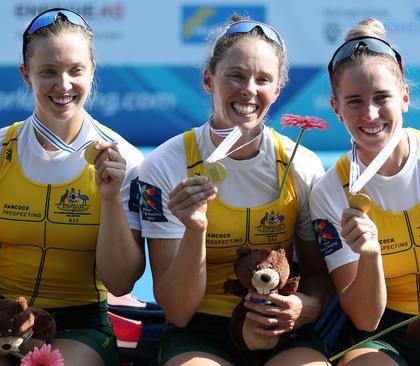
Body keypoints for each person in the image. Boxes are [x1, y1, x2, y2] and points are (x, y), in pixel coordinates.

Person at [0, 7, 145, 366]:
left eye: (75, 70)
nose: (63, 85)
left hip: (77, 325)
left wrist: (109, 199)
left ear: (92, 71)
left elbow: (121, 283)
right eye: (48, 71)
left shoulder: (124, 161)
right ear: (26, 75)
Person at [138, 15, 332, 366]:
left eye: (263, 79)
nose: (249, 90)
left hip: (280, 328)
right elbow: (178, 312)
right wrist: (196, 229)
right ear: (209, 80)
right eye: (236, 76)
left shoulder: (302, 165)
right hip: (198, 330)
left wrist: (305, 307)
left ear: (276, 91)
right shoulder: (165, 166)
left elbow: (317, 275)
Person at [310, 18, 420, 366]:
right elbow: (365, 320)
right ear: (336, 108)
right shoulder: (330, 192)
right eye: (355, 101)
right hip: (377, 338)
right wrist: (370, 252)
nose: (371, 114)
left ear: (405, 96)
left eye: (382, 98)